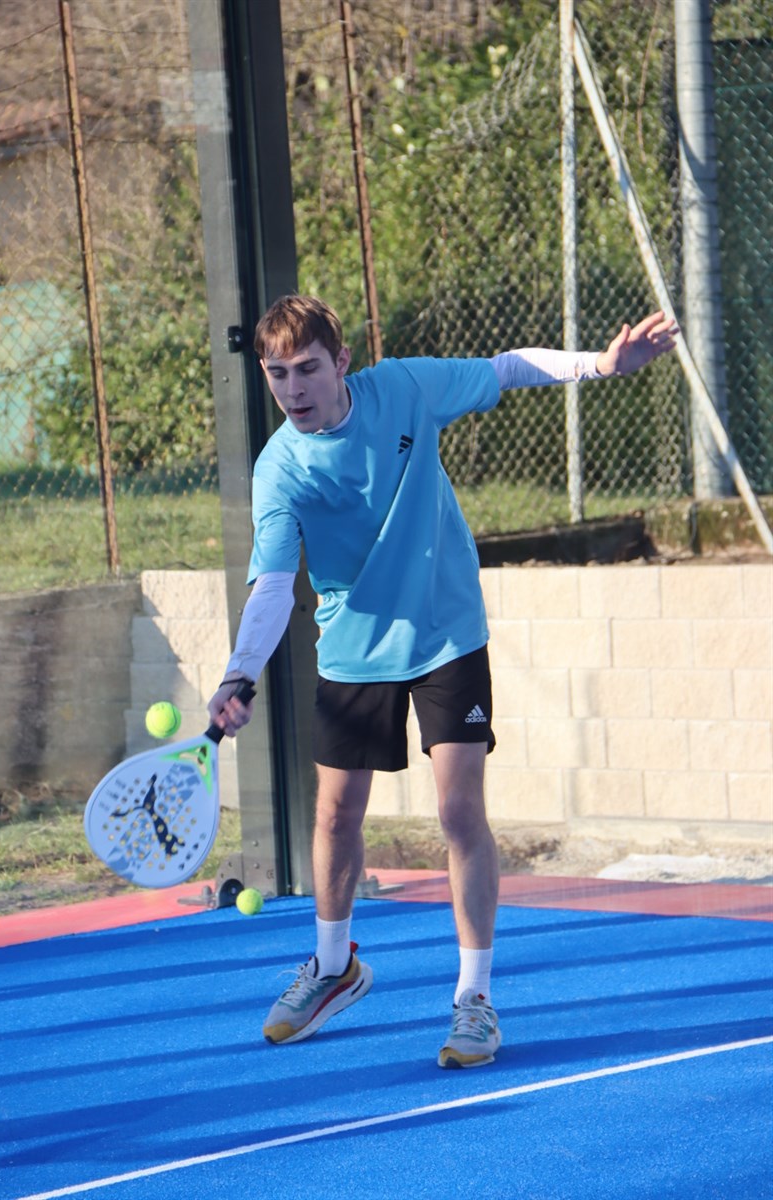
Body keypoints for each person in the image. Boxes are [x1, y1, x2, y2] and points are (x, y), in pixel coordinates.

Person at [208, 294, 678, 1068]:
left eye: (308, 369)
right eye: (278, 373)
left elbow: (505, 369)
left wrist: (599, 364)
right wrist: (239, 671)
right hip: (354, 645)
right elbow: (269, 582)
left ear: (342, 363)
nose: (294, 388)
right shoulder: (279, 469)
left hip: (445, 630)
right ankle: (333, 969)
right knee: (333, 819)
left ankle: (474, 998)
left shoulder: (404, 389)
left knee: (459, 812)